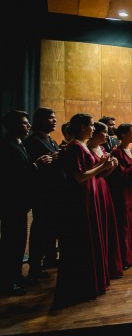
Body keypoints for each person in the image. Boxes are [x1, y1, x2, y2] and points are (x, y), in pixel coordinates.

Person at [54, 113, 116, 308]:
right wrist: (102, 166)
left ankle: (92, 282)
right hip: (81, 197)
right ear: (82, 127)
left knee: (91, 238)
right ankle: (82, 286)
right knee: (84, 239)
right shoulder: (74, 147)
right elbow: (79, 177)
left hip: (90, 193)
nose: (93, 129)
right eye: (90, 125)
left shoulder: (79, 145)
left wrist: (104, 165)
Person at [0, 110, 50, 296]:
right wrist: (36, 165)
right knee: (11, 242)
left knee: (19, 241)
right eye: (23, 123)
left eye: (28, 122)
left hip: (21, 203)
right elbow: (12, 176)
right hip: (11, 203)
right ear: (12, 126)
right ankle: (7, 282)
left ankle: (15, 276)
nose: (28, 126)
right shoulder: (6, 146)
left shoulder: (20, 143)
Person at [23, 108, 63, 281]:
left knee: (51, 229)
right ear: (40, 120)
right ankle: (35, 265)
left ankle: (49, 259)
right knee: (41, 230)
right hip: (43, 194)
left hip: (54, 194)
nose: (54, 121)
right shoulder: (32, 141)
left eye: (54, 118)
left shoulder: (51, 140)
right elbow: (31, 168)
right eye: (50, 118)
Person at [87, 122, 124, 279]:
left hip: (103, 186)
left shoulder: (102, 149)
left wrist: (112, 167)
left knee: (107, 224)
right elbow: (90, 174)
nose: (108, 136)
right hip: (93, 187)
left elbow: (103, 174)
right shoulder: (87, 148)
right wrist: (104, 166)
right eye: (105, 132)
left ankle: (109, 264)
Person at [108, 123, 132, 268]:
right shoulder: (117, 152)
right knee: (124, 223)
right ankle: (125, 257)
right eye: (131, 133)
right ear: (123, 135)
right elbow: (120, 174)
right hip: (122, 191)